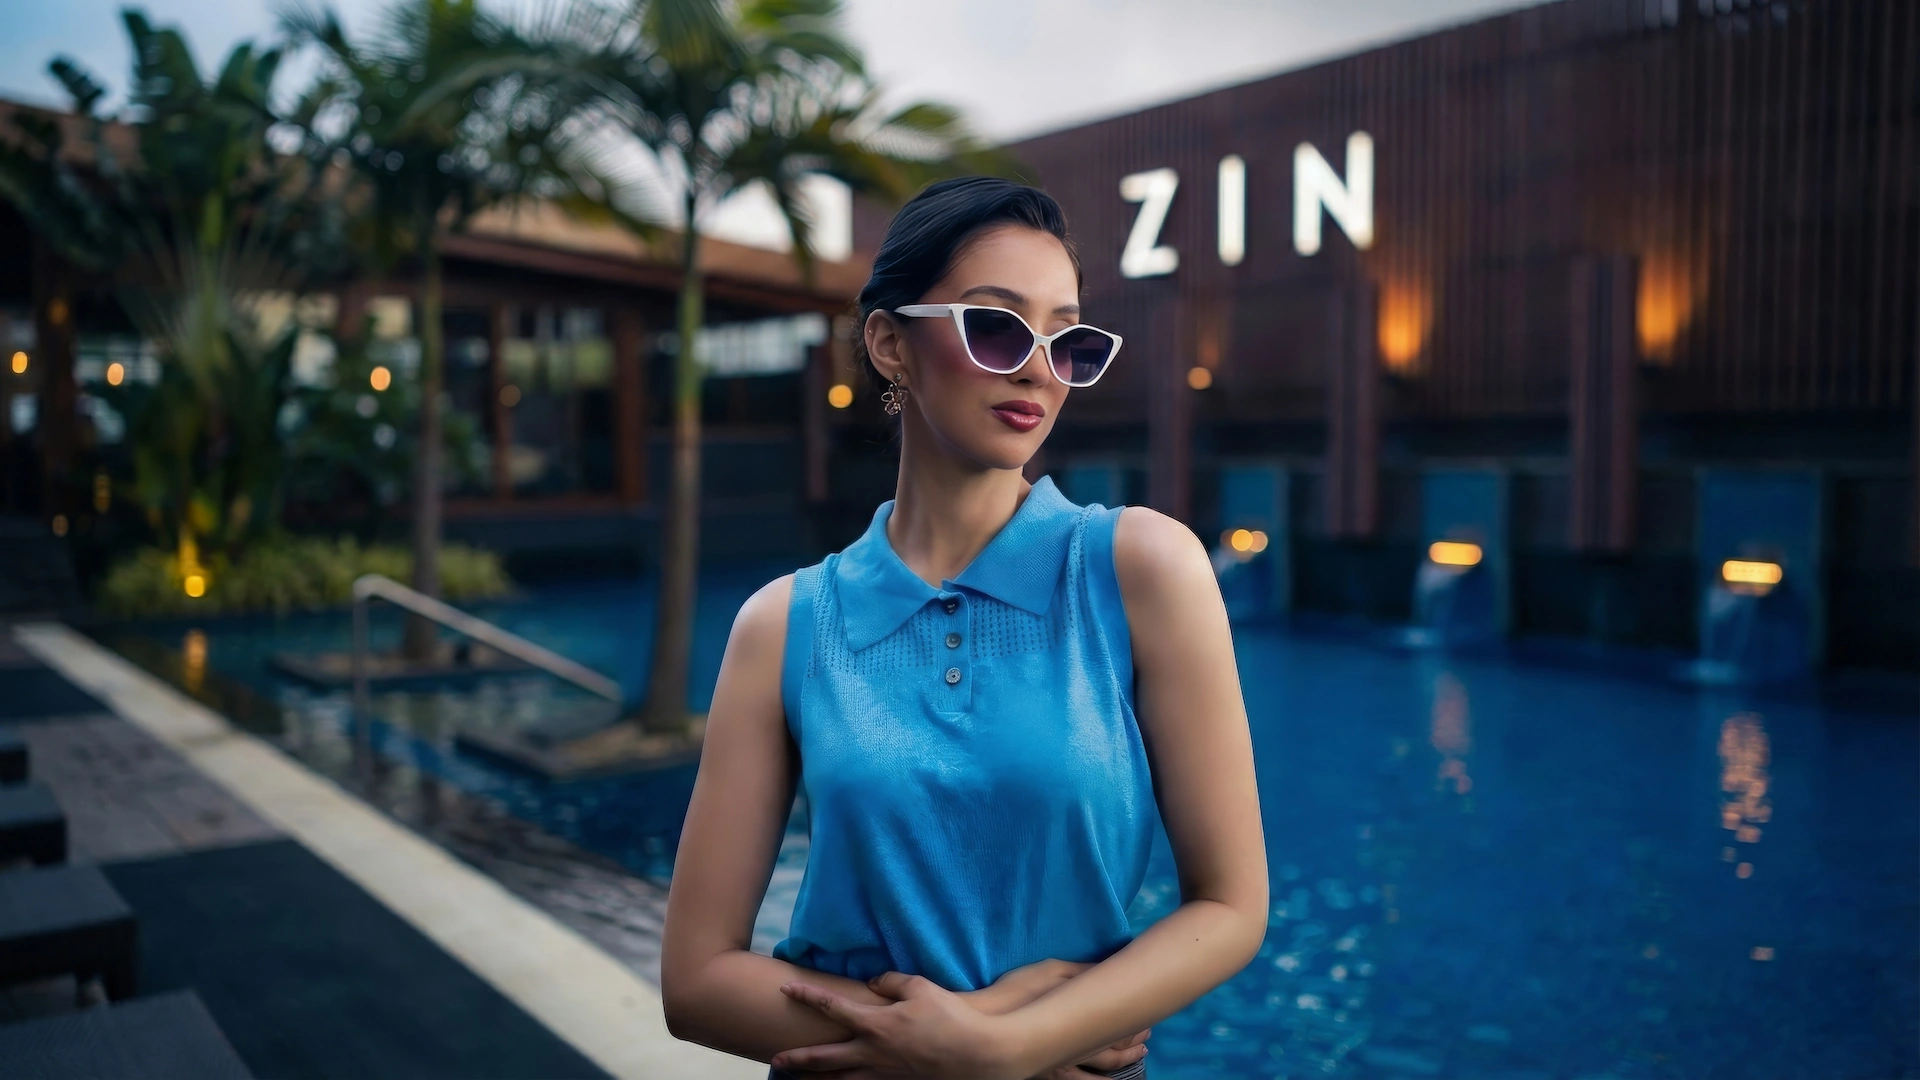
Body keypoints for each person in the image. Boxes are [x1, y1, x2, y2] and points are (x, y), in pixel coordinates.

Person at [660, 176, 1268, 1079]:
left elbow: (1231, 904)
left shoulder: (1144, 568)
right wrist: (958, 1048)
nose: (1037, 369)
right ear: (889, 344)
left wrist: (1007, 1045)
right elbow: (696, 981)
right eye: (996, 327)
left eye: (1069, 341)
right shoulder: (785, 625)